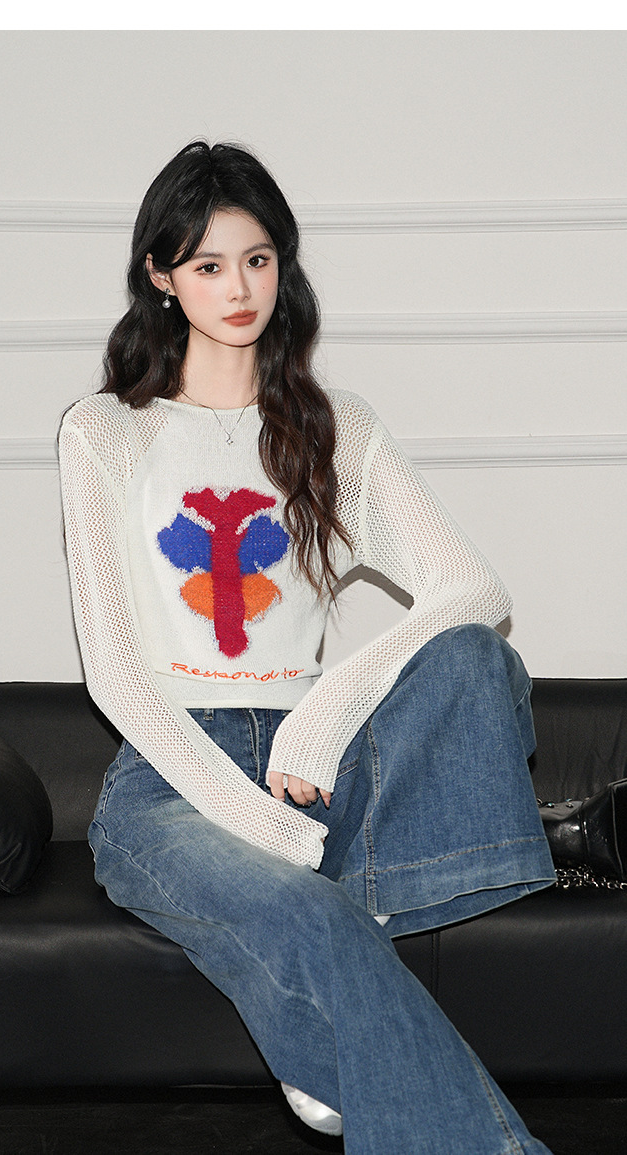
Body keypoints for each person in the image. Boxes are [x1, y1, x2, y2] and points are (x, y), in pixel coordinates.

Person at [58, 139, 556, 1154]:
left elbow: (475, 588)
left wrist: (324, 712)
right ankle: (340, 978)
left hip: (312, 769)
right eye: (207, 265)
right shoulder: (106, 433)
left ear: (283, 264)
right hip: (170, 784)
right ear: (161, 276)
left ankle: (331, 973)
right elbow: (113, 671)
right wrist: (253, 819)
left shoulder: (336, 428)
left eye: (257, 259)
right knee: (311, 914)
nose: (239, 288)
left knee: (478, 658)